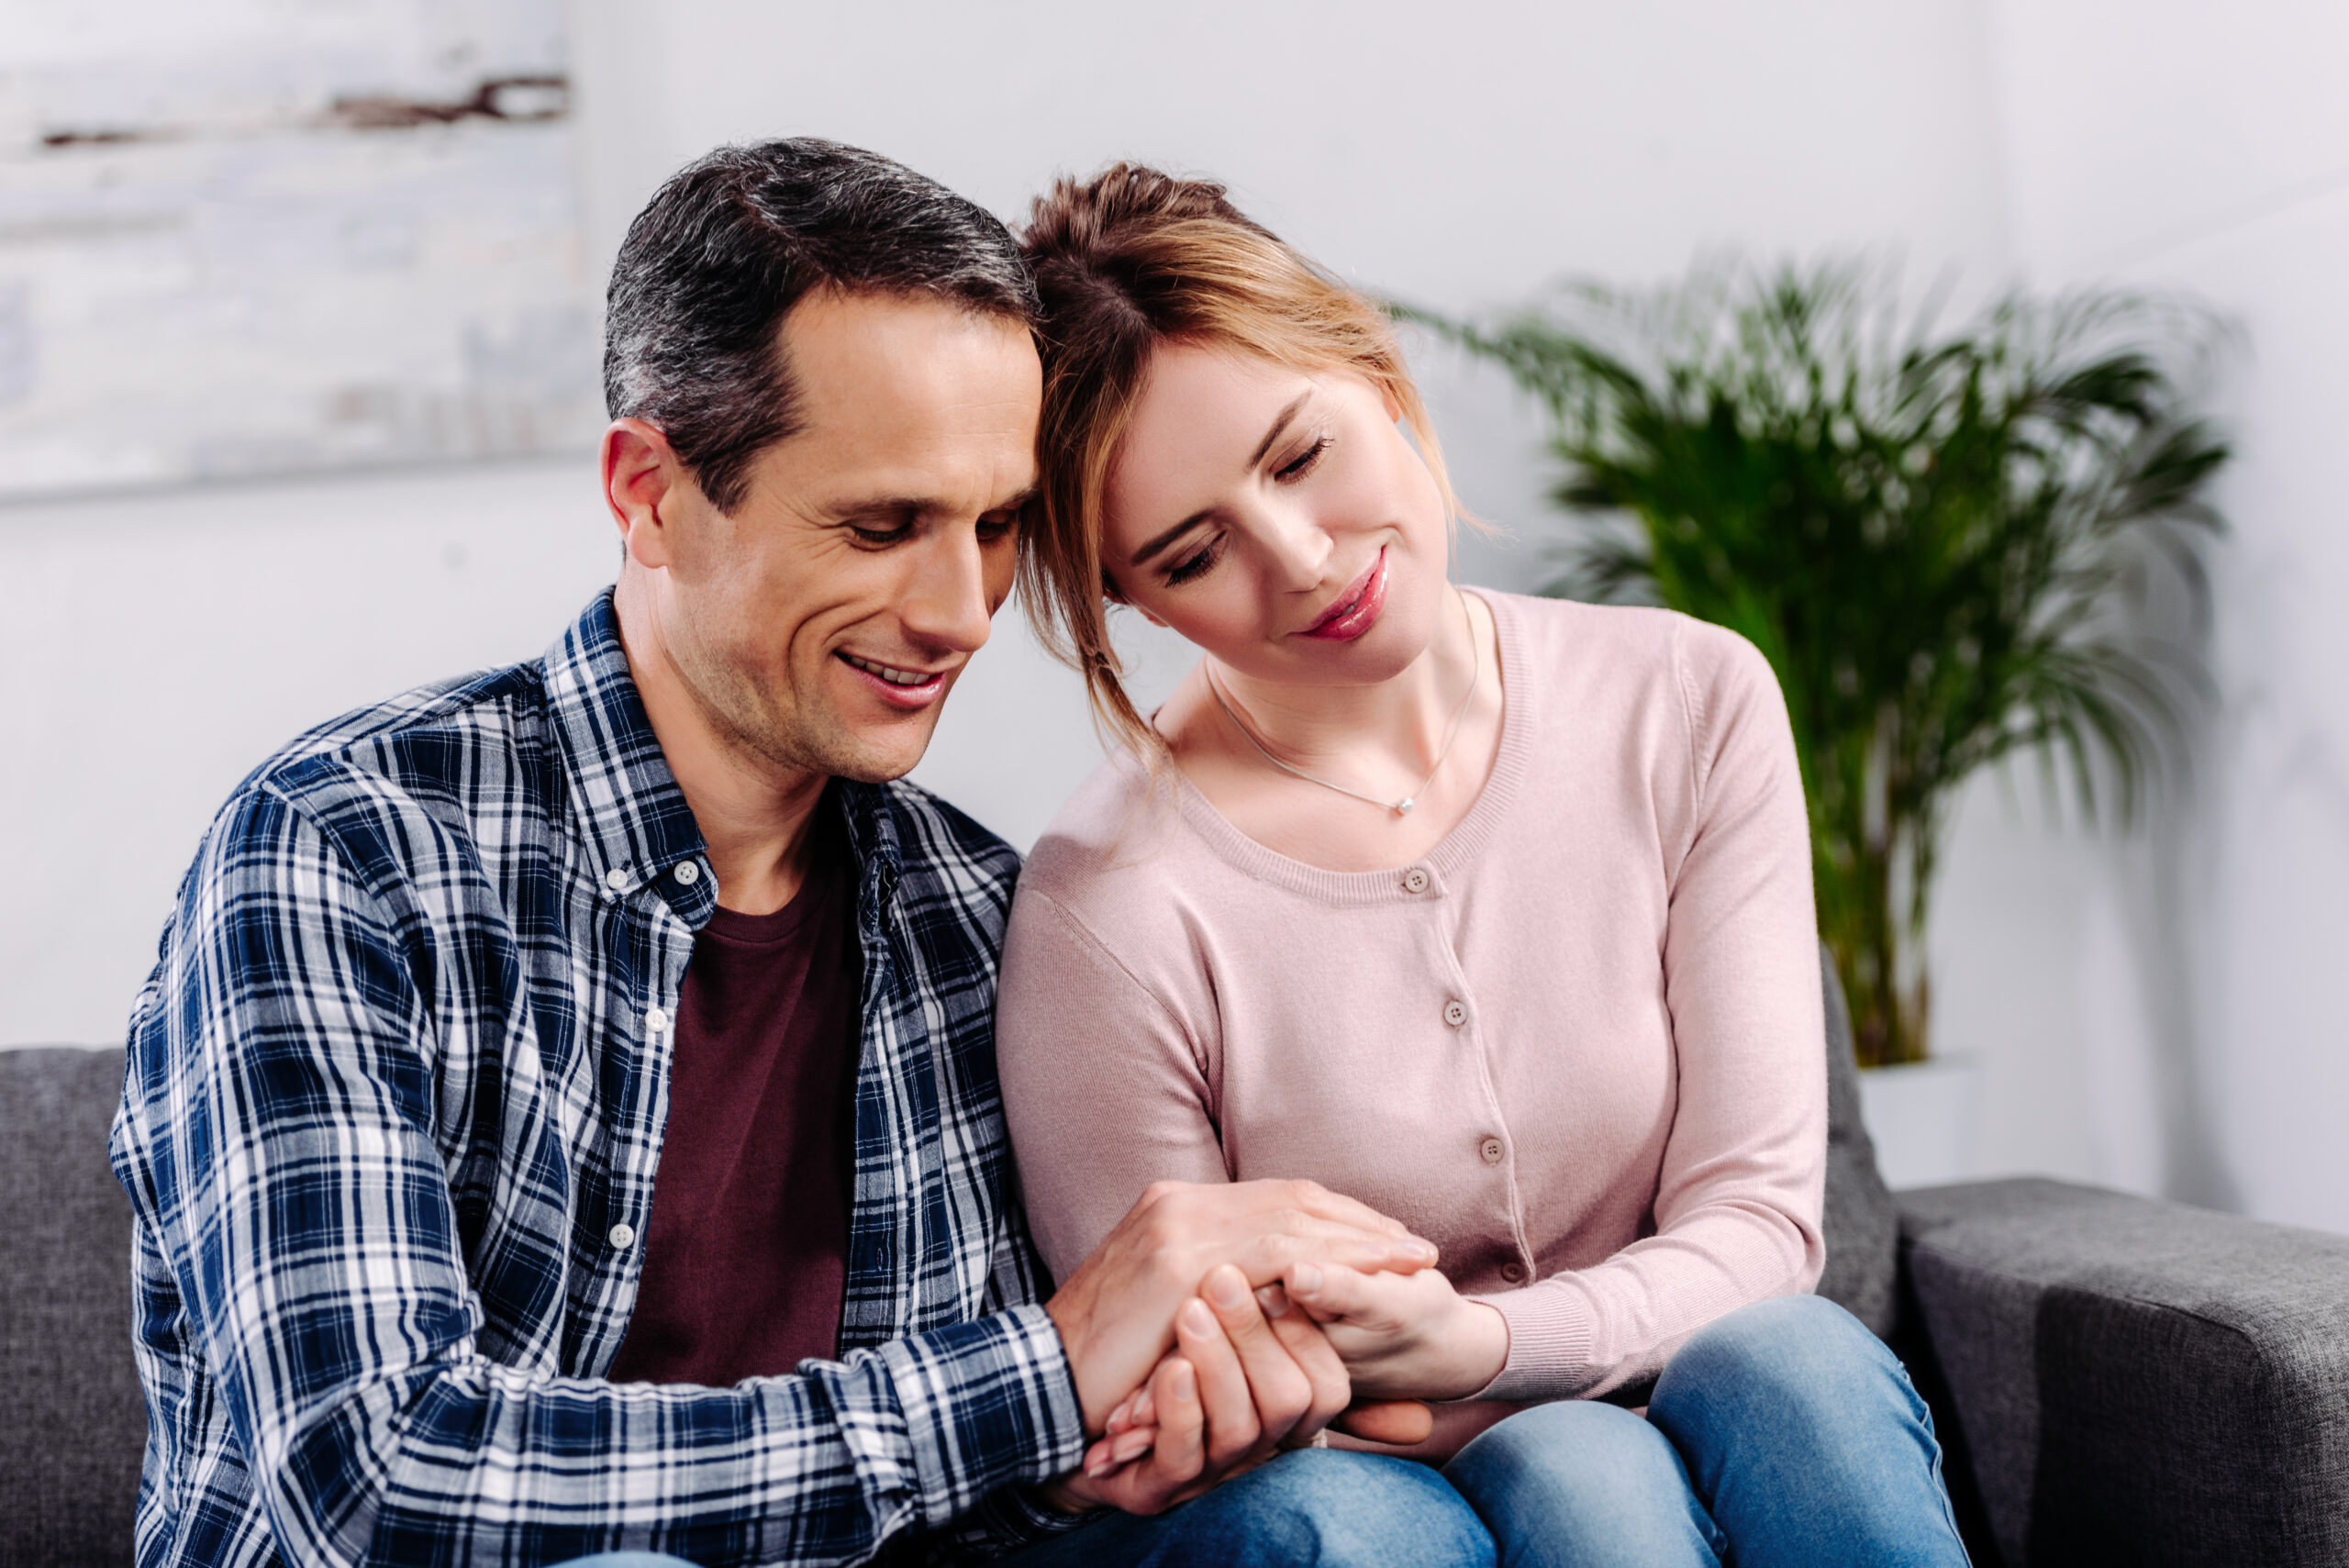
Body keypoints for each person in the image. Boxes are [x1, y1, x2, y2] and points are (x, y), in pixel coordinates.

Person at [106, 139, 1489, 1568]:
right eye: (882, 524)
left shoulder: (973, 910)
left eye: (997, 524)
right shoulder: (344, 851)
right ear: (650, 490)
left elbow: (970, 1466)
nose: (959, 613)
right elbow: (383, 1477)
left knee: (1331, 1521)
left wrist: (1121, 1444)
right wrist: (1041, 1374)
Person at [995, 164, 1974, 1566]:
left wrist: (1488, 1343)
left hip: (1722, 1375)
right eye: (1194, 551)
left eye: (1298, 456)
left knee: (1795, 1369)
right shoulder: (1106, 902)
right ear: (1125, 597)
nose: (1301, 559)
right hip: (1378, 1482)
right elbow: (1211, 1372)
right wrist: (1509, 1403)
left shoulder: (1687, 699)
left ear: (1370, 365)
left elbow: (1762, 1224)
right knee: (1587, 1477)